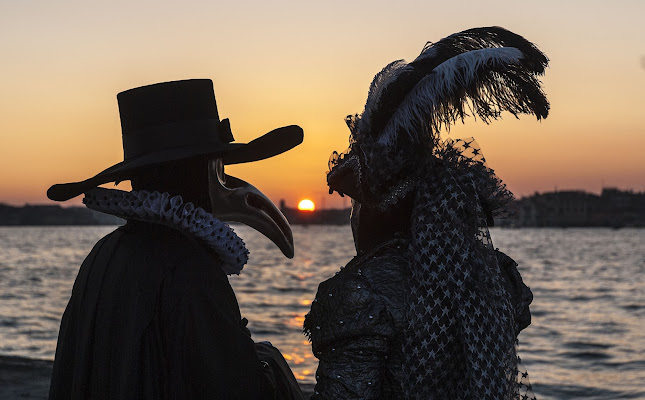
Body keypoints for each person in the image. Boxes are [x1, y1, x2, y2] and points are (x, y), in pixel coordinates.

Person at [303, 27, 547, 399]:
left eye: (356, 204)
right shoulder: (492, 277)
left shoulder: (360, 293)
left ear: (379, 211)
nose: (354, 218)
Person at [47, 79, 305, 399]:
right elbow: (233, 387)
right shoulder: (189, 266)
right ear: (202, 173)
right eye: (218, 168)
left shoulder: (104, 252)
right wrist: (268, 362)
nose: (227, 181)